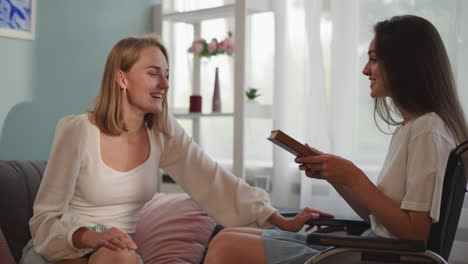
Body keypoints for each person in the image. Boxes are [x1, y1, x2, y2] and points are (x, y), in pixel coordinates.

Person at [20, 36, 331, 264]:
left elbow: (214, 182)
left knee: (123, 256)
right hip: (64, 246)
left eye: (167, 75)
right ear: (121, 78)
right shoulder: (77, 130)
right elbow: (45, 217)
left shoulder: (162, 132)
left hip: (118, 253)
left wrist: (280, 220)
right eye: (154, 73)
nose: (165, 84)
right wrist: (88, 236)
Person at [203, 15, 468, 264]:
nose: (366, 70)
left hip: (382, 256)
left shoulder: (427, 130)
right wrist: (338, 177)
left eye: (374, 59)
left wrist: (355, 177)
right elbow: (379, 219)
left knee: (225, 248)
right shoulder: (411, 128)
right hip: (374, 245)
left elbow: (416, 234)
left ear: (404, 64)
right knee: (226, 236)